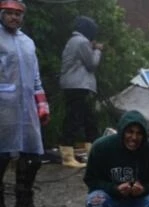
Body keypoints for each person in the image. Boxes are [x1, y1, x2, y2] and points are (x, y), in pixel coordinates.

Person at [0, 0, 52, 207]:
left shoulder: (28, 42)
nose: (14, 18)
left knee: (32, 156)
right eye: (9, 13)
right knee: (1, 156)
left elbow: (36, 78)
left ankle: (24, 204)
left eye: (17, 14)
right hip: (3, 106)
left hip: (27, 107)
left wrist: (42, 105)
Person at [58, 15, 103, 169]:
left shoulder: (73, 41)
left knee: (88, 118)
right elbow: (92, 64)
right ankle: (67, 157)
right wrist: (97, 50)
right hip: (78, 85)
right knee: (75, 119)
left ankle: (93, 154)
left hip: (74, 85)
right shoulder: (82, 41)